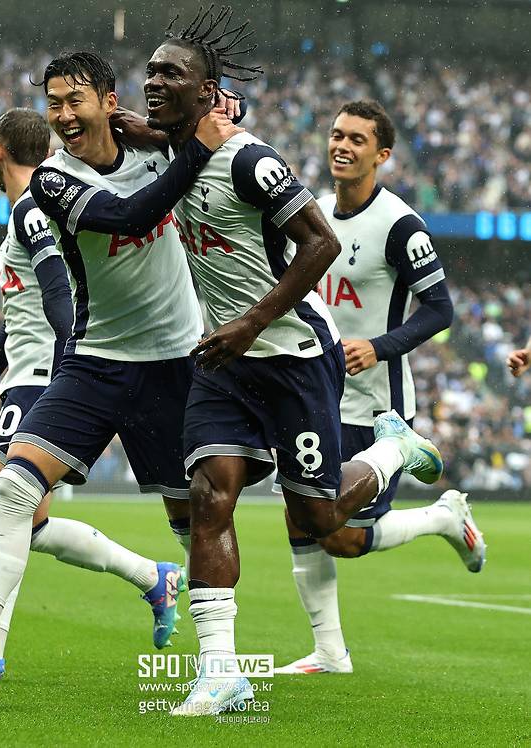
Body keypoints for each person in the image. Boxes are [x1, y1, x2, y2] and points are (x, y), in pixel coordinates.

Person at [142, 7, 444, 716]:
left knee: (318, 519)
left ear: (207, 90)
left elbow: (320, 244)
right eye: (149, 71)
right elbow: (136, 130)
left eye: (170, 73)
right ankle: (219, 671)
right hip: (224, 361)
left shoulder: (251, 160)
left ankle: (393, 449)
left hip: (295, 354)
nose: (153, 82)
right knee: (209, 497)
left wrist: (251, 321)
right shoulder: (167, 149)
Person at [0, 52, 241, 690]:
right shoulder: (52, 183)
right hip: (95, 359)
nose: (64, 115)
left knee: (196, 515)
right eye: (54, 103)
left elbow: (226, 120)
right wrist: (192, 146)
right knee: (14, 487)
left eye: (76, 101)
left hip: (175, 360)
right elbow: (129, 217)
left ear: (109, 102)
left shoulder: (158, 146)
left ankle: (221, 667)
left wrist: (207, 119)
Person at [273, 100, 485, 677]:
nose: (342, 146)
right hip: (314, 395)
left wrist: (379, 346)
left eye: (357, 140)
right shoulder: (312, 214)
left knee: (341, 537)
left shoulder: (400, 225)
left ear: (382, 154)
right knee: (300, 513)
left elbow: (439, 309)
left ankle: (442, 518)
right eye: (337, 135)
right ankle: (329, 653)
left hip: (376, 407)